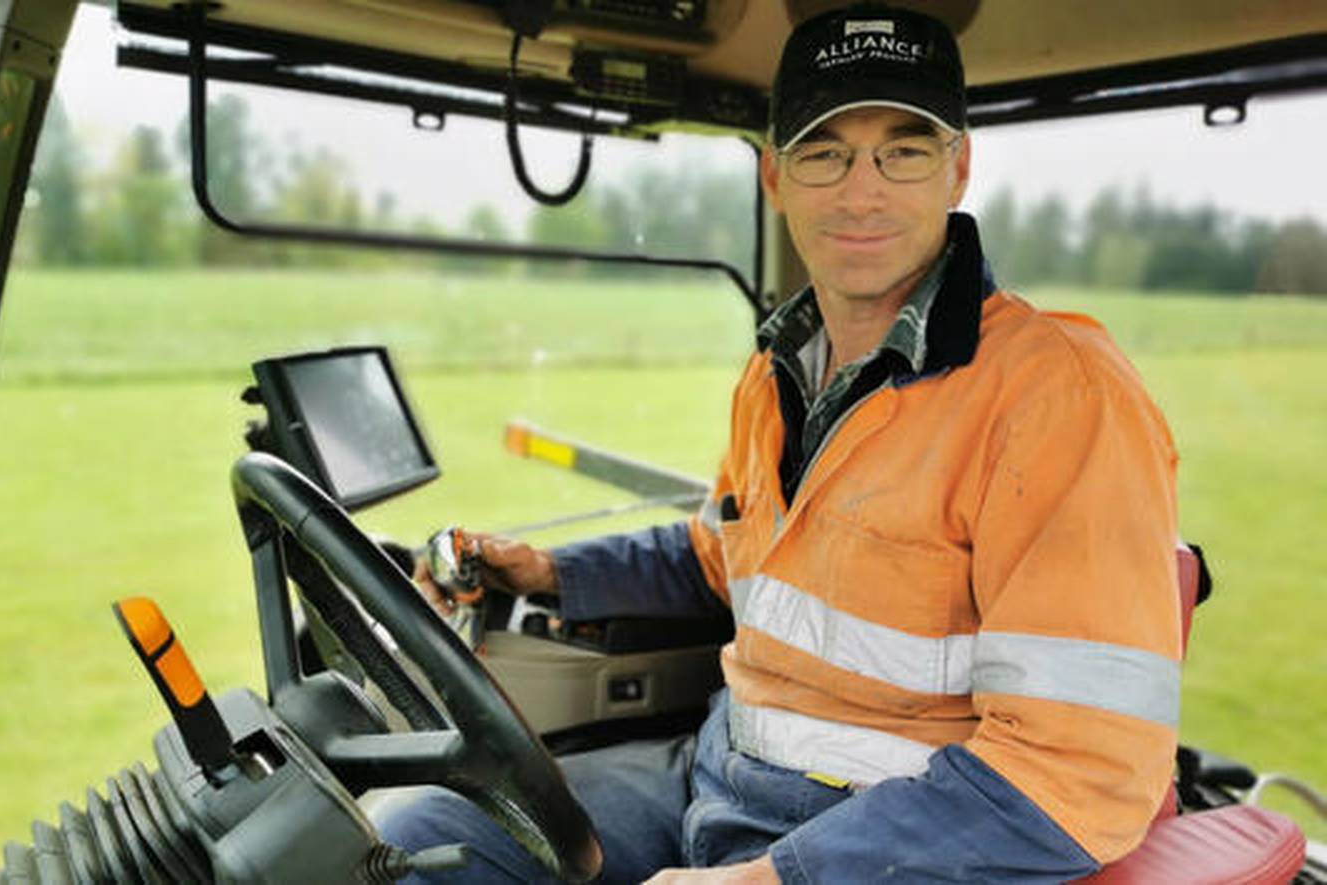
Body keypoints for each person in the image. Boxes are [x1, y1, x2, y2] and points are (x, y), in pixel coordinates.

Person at [374, 5, 1182, 883]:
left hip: (878, 837)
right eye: (824, 152)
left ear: (959, 167)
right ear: (774, 177)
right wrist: (550, 571)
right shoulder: (775, 374)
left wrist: (772, 877)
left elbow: (1079, 772)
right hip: (717, 780)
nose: (861, 189)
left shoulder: (1060, 394)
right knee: (418, 835)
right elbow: (723, 556)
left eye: (903, 150)